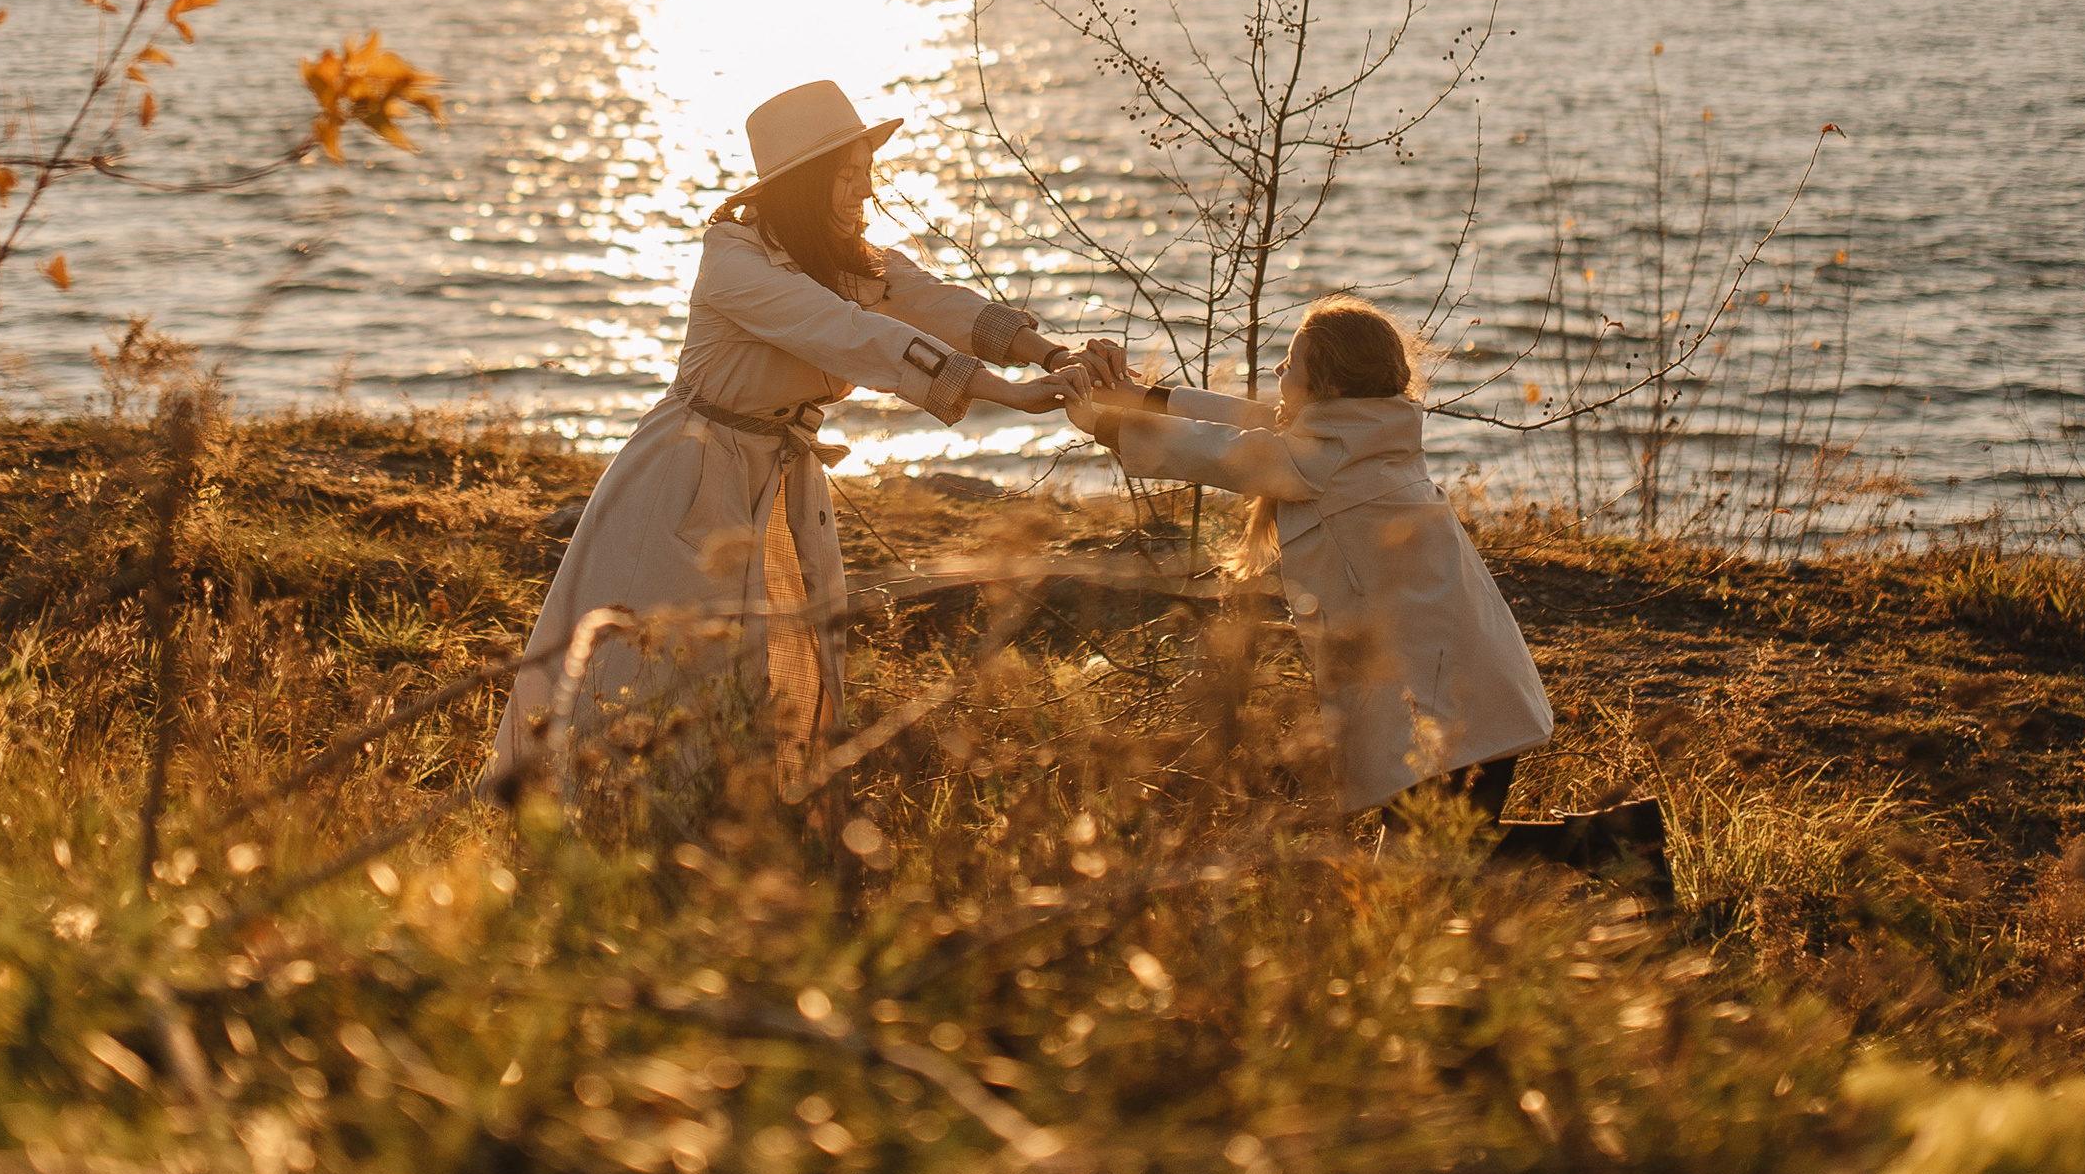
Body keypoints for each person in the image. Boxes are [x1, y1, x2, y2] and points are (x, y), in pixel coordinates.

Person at [481, 77, 1089, 798]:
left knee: (786, 658)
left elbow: (939, 305)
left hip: (780, 476)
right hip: (688, 478)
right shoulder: (734, 260)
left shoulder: (852, 261)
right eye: (847, 176)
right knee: (657, 668)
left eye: (867, 174)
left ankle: (759, 824)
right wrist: (1006, 393)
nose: (862, 192)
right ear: (804, 182)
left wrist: (1051, 354)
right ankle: (594, 822)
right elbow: (856, 335)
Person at [1069, 292, 1668, 882]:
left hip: (1440, 701)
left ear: (1327, 387)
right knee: (1417, 876)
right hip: (1459, 680)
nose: (1279, 371)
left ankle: (1617, 844)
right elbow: (1251, 418)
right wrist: (1139, 395)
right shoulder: (1367, 431)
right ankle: (1613, 847)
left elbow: (1223, 454)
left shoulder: (1320, 458)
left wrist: (1099, 420)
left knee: (1425, 870)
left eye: (1292, 362)